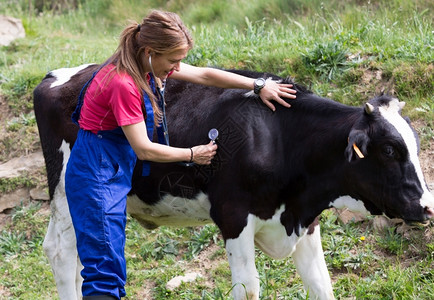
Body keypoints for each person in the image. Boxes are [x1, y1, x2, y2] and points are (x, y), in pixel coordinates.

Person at [65, 9, 297, 300]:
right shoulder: (123, 83)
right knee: (104, 271)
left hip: (111, 168)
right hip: (96, 174)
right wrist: (192, 153)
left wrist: (257, 84)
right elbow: (143, 148)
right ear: (150, 51)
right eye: (173, 60)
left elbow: (203, 74)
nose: (176, 68)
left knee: (111, 264)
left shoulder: (141, 63)